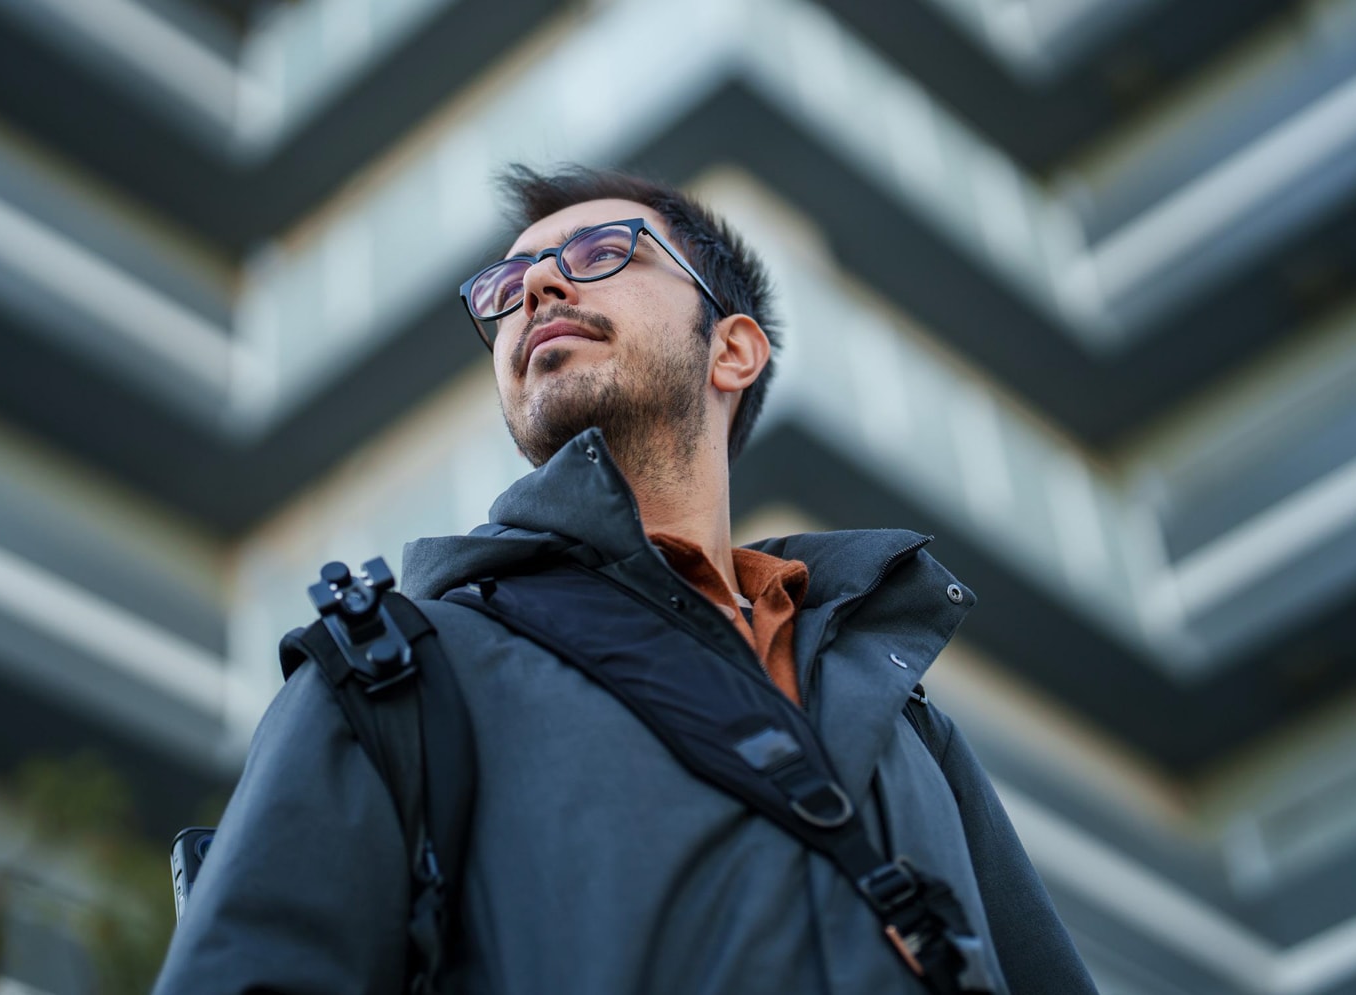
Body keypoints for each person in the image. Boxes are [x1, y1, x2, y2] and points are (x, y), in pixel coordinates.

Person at [152, 165, 1097, 994]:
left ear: (733, 349)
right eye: (505, 288)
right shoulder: (390, 674)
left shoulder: (904, 719)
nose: (536, 286)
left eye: (603, 251)